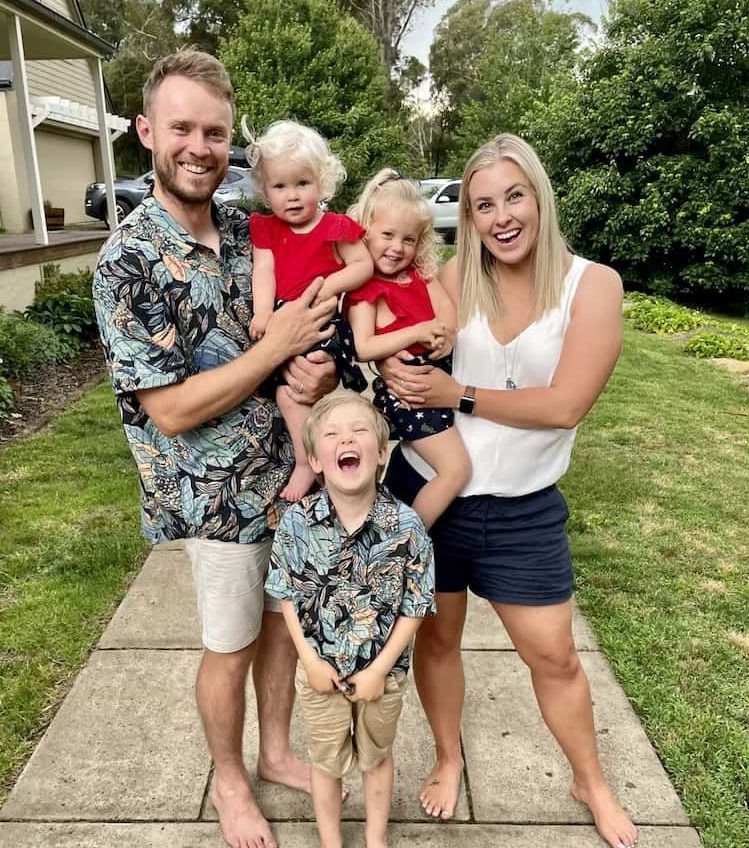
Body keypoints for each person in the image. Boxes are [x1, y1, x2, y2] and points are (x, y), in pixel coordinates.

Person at [93, 50, 340, 848]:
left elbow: (311, 311)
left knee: (278, 625)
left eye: (215, 132)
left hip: (290, 480)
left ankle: (273, 753)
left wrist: (321, 354)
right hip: (214, 494)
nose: (199, 147)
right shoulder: (127, 260)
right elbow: (167, 410)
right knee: (229, 645)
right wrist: (278, 351)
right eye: (182, 129)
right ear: (145, 134)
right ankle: (230, 780)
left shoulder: (248, 227)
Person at [379, 134, 639, 848]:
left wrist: (455, 390)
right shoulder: (463, 273)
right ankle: (447, 757)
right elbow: (396, 326)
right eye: (482, 204)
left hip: (522, 511)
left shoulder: (594, 284)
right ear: (467, 216)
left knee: (553, 656)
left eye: (513, 196)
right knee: (436, 640)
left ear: (539, 198)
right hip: (429, 491)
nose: (500, 217)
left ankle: (590, 779)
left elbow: (564, 405)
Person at [265, 391, 436, 848]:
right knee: (324, 761)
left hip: (385, 675)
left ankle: (376, 839)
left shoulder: (406, 526)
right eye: (333, 434)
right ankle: (330, 840)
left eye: (360, 431)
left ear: (380, 453)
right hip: (320, 672)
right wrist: (310, 662)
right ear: (316, 460)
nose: (347, 439)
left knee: (376, 757)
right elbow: (286, 597)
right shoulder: (297, 524)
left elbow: (416, 605)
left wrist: (380, 669)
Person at [244, 119, 374, 502]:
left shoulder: (334, 227)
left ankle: (332, 466)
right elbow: (264, 273)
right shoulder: (266, 230)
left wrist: (328, 287)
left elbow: (362, 265)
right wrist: (263, 313)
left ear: (322, 182)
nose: (293, 196)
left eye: (303, 183)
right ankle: (308, 461)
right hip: (283, 318)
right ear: (266, 192)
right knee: (287, 396)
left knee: (323, 397)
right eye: (280, 186)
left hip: (324, 324)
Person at [344, 169, 470, 529]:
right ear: (365, 231)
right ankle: (403, 542)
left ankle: (389, 528)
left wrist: (445, 334)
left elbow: (447, 312)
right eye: (387, 235)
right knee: (456, 469)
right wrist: (416, 330)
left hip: (436, 382)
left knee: (420, 469)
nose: (397, 248)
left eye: (409, 240)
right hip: (409, 393)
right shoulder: (366, 290)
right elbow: (365, 346)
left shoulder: (418, 276)